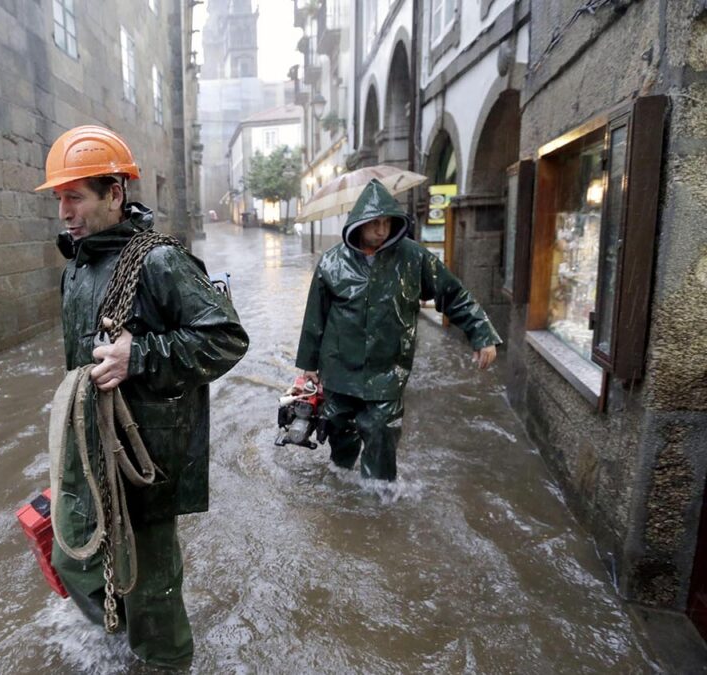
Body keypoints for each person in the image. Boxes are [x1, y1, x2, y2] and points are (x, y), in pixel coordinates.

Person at [35, 125, 248, 668]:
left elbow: (225, 337)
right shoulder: (78, 267)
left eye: (75, 196)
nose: (64, 211)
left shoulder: (159, 261)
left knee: (153, 588)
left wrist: (142, 356)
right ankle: (122, 623)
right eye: (59, 198)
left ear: (115, 193)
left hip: (145, 455)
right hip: (92, 448)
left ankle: (162, 658)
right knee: (70, 552)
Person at [294, 178, 501, 482]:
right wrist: (309, 365)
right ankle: (340, 476)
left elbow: (453, 294)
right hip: (339, 370)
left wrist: (481, 333)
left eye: (387, 222)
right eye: (374, 223)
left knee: (382, 432)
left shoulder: (413, 258)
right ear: (358, 224)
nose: (381, 230)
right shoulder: (331, 263)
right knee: (339, 430)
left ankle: (379, 500)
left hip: (387, 370)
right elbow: (316, 317)